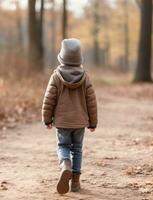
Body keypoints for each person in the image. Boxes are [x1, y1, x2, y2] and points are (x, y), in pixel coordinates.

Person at [42, 38, 98, 194]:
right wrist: (93, 122)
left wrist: (47, 119)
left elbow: (49, 99)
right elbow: (91, 102)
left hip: (62, 122)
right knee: (78, 149)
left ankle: (65, 165)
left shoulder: (56, 76)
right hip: (79, 122)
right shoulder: (85, 77)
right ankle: (75, 183)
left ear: (61, 57)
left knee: (63, 146)